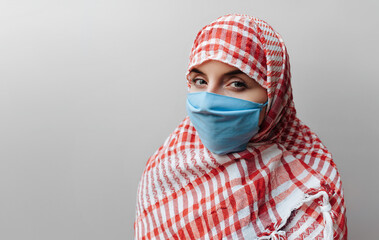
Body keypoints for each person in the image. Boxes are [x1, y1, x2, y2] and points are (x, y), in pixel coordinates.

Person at [134, 14, 347, 239]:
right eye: (200, 81)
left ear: (274, 92)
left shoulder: (311, 187)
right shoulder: (167, 167)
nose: (207, 102)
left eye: (236, 84)